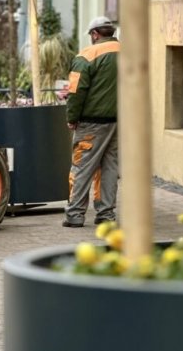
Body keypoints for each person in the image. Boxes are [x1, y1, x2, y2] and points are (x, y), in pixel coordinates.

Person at [63, 16, 120, 228]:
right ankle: (106, 214)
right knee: (110, 167)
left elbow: (76, 91)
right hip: (117, 122)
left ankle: (75, 214)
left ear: (95, 34)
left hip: (91, 124)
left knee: (82, 167)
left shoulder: (87, 56)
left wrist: (72, 118)